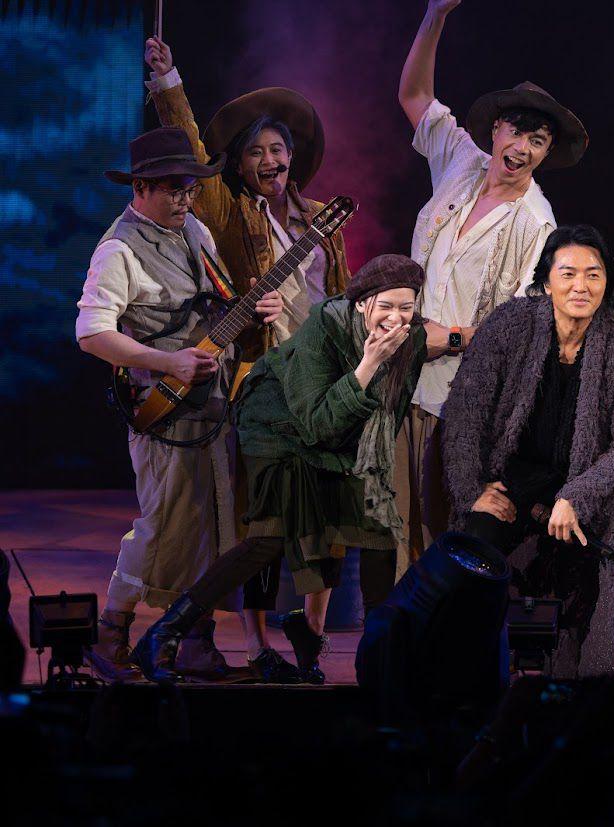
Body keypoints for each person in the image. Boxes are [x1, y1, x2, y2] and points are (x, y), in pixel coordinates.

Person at [144, 36, 353, 679]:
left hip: (322, 384)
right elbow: (190, 145)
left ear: (294, 159)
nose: (270, 160)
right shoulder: (226, 210)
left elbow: (341, 295)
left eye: (278, 150)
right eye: (256, 152)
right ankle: (258, 645)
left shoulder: (320, 221)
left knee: (328, 518)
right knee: (262, 523)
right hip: (259, 382)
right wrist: (168, 83)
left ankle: (311, 638)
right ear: (237, 164)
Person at [133, 255, 428, 684]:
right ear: (363, 303)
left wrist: (370, 480)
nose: (395, 318)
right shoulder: (325, 325)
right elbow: (317, 423)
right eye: (385, 306)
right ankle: (164, 633)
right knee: (269, 537)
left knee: (377, 532)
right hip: (278, 423)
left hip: (341, 430)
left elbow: (390, 414)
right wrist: (367, 365)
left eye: (406, 307)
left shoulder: (412, 339)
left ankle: (378, 658)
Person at [76, 127, 284, 682]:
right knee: (163, 523)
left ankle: (193, 643)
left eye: (190, 189)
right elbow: (91, 333)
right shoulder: (118, 249)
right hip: (164, 411)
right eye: (174, 190)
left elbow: (212, 306)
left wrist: (251, 309)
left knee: (211, 526)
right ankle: (110, 635)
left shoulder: (193, 229)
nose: (186, 200)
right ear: (140, 187)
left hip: (212, 404)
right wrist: (166, 361)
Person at [395, 0, 588, 569]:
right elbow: (414, 96)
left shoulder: (538, 225)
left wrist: (452, 338)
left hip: (461, 397)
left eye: (538, 141)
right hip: (400, 376)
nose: (523, 148)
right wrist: (436, 14)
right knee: (392, 529)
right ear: (497, 128)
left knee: (444, 533)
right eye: (518, 131)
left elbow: (525, 330)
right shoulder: (462, 161)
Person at [441, 226, 614, 676]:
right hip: (511, 484)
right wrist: (472, 490)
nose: (580, 286)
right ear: (547, 281)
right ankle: (466, 676)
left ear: (607, 283)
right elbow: (465, 413)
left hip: (581, 486)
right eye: (568, 274)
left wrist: (575, 496)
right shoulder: (509, 326)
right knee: (473, 548)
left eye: (593, 274)